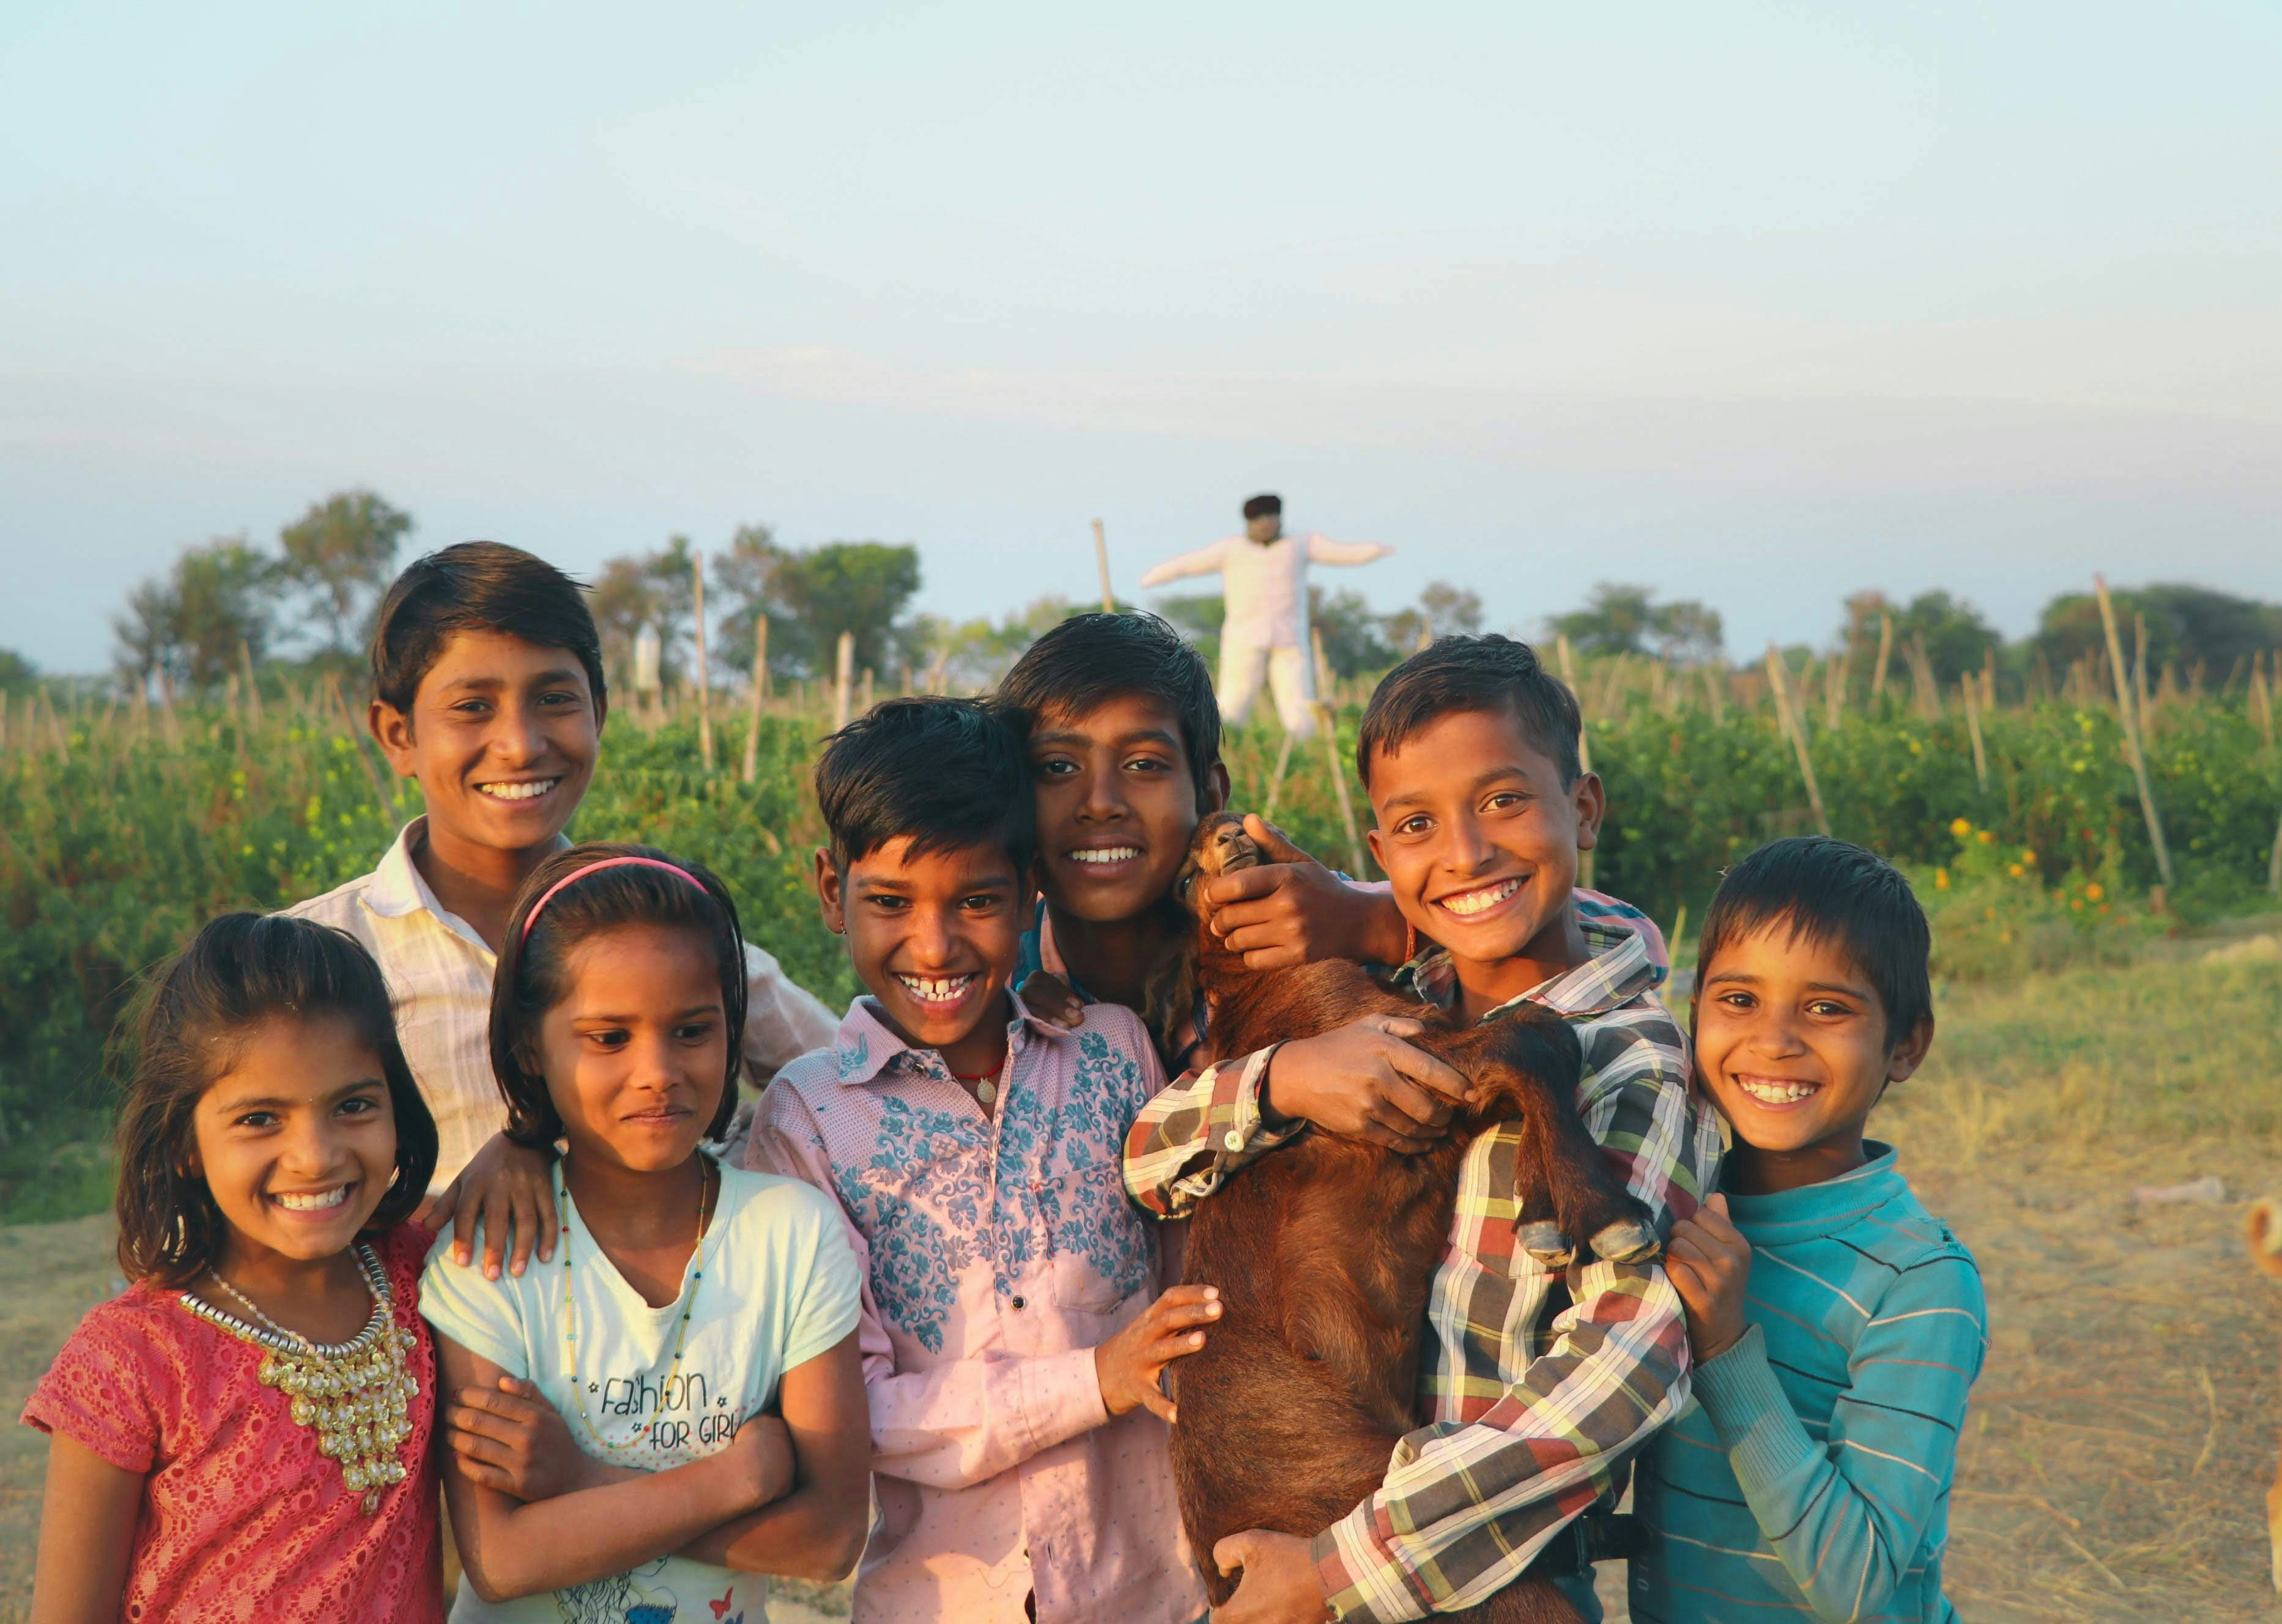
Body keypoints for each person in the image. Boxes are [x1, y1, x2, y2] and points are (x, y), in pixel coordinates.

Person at [1123, 633, 1723, 1623]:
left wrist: (1336, 1568)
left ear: (1583, 808)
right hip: (1317, 1522)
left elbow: (1632, 1364)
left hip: (1476, 1574)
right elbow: (1147, 1164)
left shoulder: (1634, 1061)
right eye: (1417, 824)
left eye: (1503, 801)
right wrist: (1284, 1076)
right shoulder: (1386, 1014)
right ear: (1380, 856)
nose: (1467, 851)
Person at [742, 697, 1221, 1624]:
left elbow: (1184, 1293)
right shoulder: (807, 1121)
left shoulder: (1115, 1053)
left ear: (1031, 893)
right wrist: (1096, 1378)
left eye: (976, 900)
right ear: (827, 890)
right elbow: (857, 1414)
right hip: (944, 1600)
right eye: (889, 902)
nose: (934, 945)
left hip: (1155, 1595)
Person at [286, 540, 835, 1275]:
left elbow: (845, 1085)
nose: (518, 744)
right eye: (472, 707)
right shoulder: (318, 956)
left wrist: (722, 1167)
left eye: (554, 699)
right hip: (434, 1368)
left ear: (598, 713)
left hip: (680, 1358)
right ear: (398, 735)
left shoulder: (664, 934)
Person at [417, 843, 872, 1620]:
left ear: (733, 1027)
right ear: (531, 1045)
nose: (657, 1069)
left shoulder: (791, 1235)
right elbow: (502, 1558)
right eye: (609, 1038)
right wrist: (738, 1480)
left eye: (691, 1030)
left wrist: (579, 1483)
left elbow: (827, 1538)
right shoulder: (488, 1254)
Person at [21, 912, 445, 1623]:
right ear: (185, 1139)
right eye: (259, 1119)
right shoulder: (132, 1359)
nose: (315, 1155)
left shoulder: (426, 1274)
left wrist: (515, 1153)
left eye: (353, 1106)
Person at [1635, 836, 1987, 1624]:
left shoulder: (1919, 1281)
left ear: (1906, 1044)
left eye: (1826, 1008)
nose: (1773, 1039)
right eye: (1737, 1000)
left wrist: (1725, 1349)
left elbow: (1854, 1584)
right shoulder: (1669, 1213)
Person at [1138, 493, 1390, 740]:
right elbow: (1186, 565)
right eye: (1261, 519)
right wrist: (1150, 578)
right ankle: (1226, 746)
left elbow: (1342, 553)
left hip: (1289, 638)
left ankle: (1305, 748)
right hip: (1244, 638)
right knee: (1234, 701)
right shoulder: (1232, 549)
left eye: (1272, 517)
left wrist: (1378, 550)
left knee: (1299, 705)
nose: (1268, 523)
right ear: (1249, 523)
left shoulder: (1299, 545)